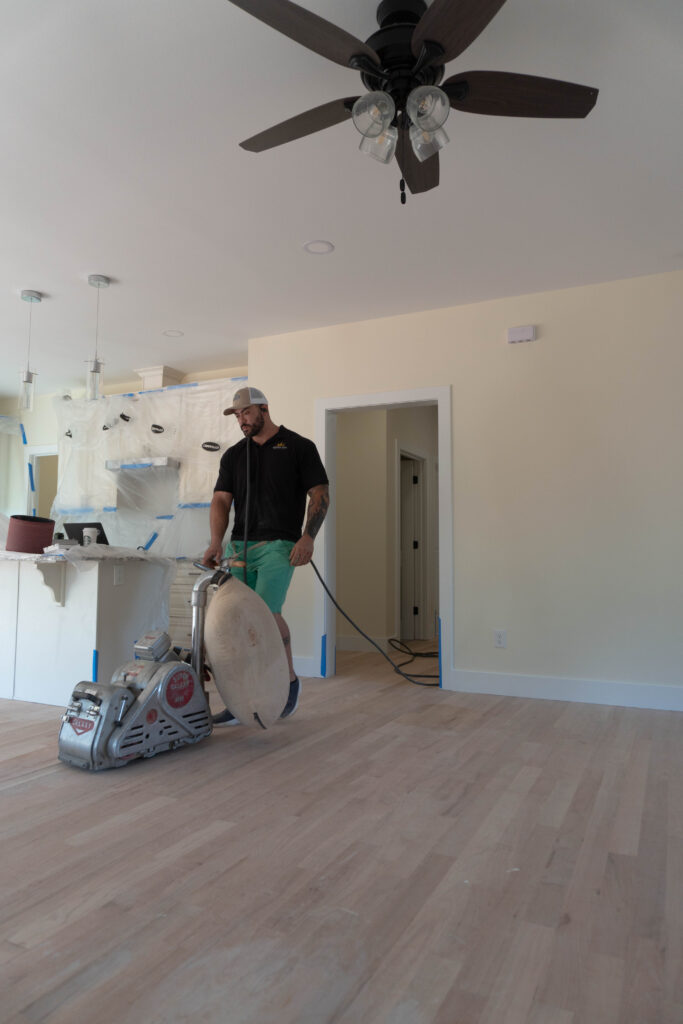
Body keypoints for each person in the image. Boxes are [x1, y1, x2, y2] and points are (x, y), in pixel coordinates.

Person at [202, 386, 329, 724]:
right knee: (237, 621)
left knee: (265, 614)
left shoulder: (299, 447)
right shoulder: (233, 456)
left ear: (263, 409)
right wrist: (216, 542)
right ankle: (240, 697)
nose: (242, 420)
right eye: (237, 415)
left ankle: (288, 685)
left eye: (246, 413)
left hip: (280, 545)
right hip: (239, 547)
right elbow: (220, 501)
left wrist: (308, 537)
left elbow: (319, 493)